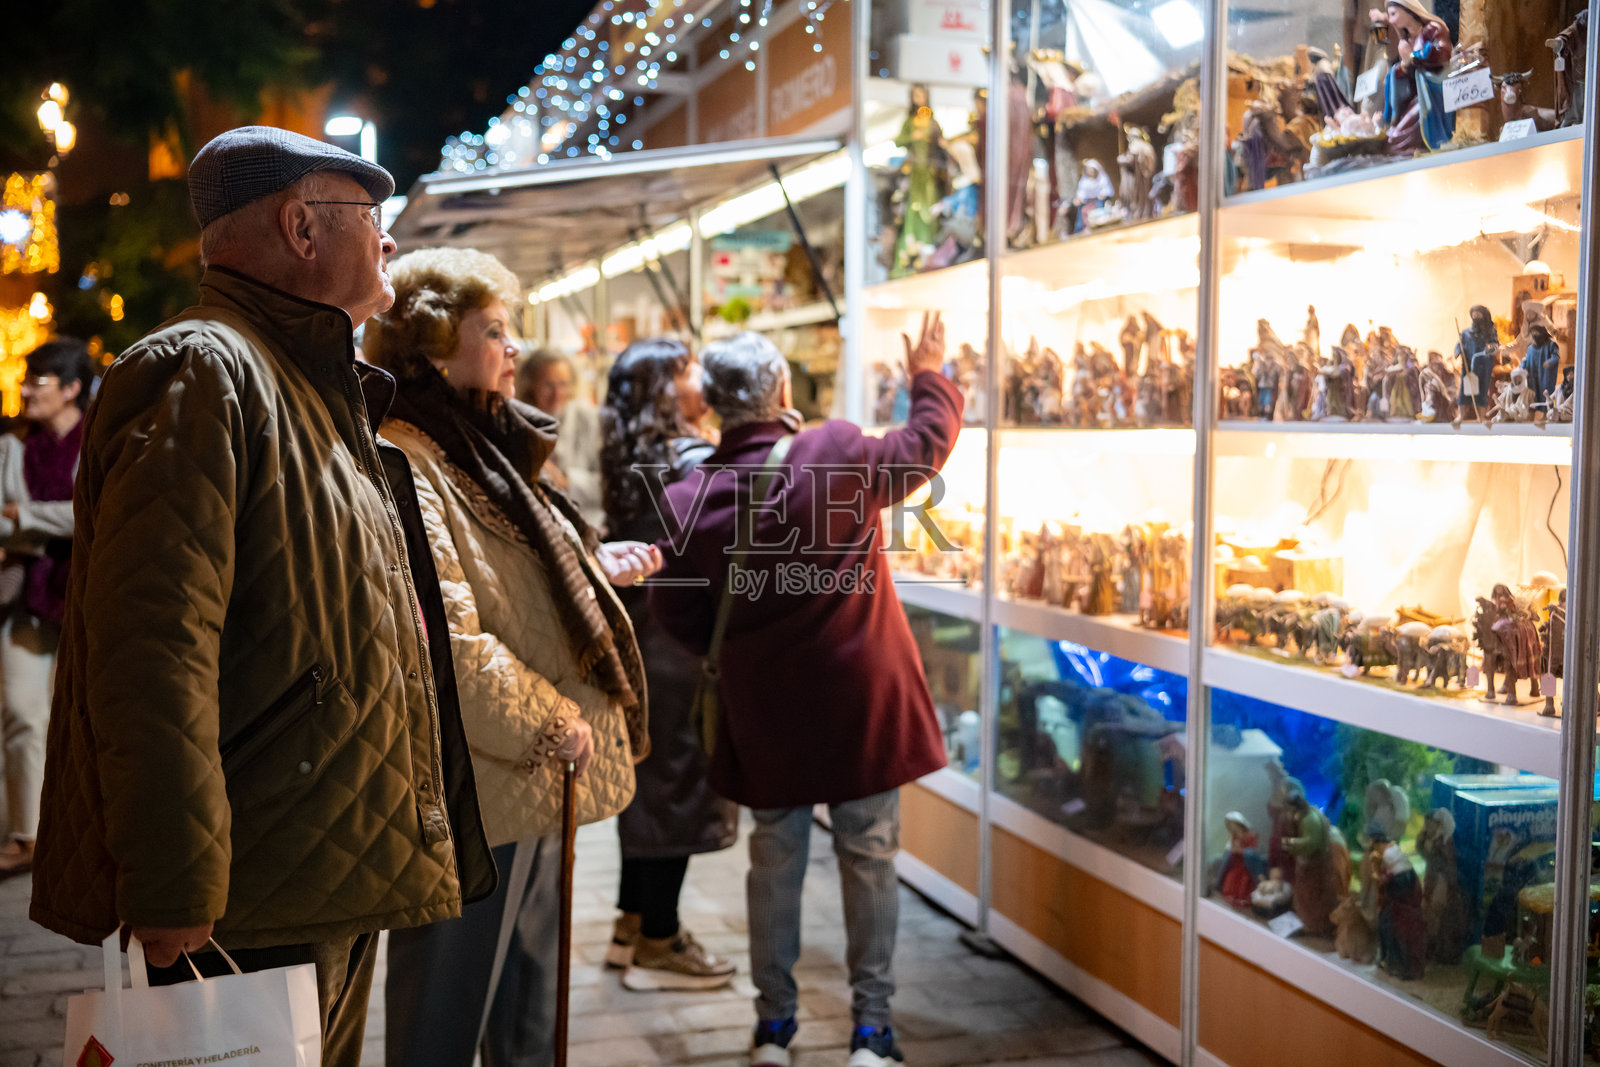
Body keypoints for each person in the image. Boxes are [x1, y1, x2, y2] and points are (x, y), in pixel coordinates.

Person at [28, 126, 496, 1067]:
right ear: (301, 227)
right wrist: (171, 881)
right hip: (247, 899)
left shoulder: (311, 386)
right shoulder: (201, 369)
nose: (391, 240)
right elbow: (153, 651)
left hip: (324, 868)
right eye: (374, 216)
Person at [366, 247, 659, 1066]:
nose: (516, 347)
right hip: (484, 779)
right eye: (494, 330)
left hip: (530, 778)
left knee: (528, 1005)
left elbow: (515, 578)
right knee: (449, 1013)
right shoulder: (410, 458)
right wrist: (549, 718)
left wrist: (597, 566)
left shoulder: (477, 444)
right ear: (428, 347)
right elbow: (442, 632)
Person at [650, 315, 963, 1067]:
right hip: (863, 703)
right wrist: (929, 374)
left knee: (775, 857)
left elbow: (683, 620)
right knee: (870, 856)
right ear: (783, 390)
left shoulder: (691, 494)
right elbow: (924, 447)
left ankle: (775, 1028)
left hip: (767, 711)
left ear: (717, 405)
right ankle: (871, 1033)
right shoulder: (837, 449)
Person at [598, 339, 738, 991]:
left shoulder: (631, 454)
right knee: (678, 783)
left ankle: (630, 924)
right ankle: (662, 934)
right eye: (685, 370)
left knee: (649, 782)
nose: (699, 377)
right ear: (664, 391)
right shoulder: (694, 461)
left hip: (641, 638)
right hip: (679, 646)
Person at [0, 338, 92, 875]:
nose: (27, 389)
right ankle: (28, 837)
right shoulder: (11, 448)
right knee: (21, 714)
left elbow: (93, 515)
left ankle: (93, 828)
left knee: (90, 715)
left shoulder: (100, 438)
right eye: (26, 380)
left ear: (72, 388)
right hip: (23, 596)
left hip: (86, 594)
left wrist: (25, 516)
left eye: (39, 381)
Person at [519, 349, 604, 531]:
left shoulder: (588, 418)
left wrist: (565, 480)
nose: (557, 393)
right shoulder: (520, 421)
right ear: (530, 385)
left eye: (563, 384)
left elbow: (607, 483)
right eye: (548, 385)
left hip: (588, 523)